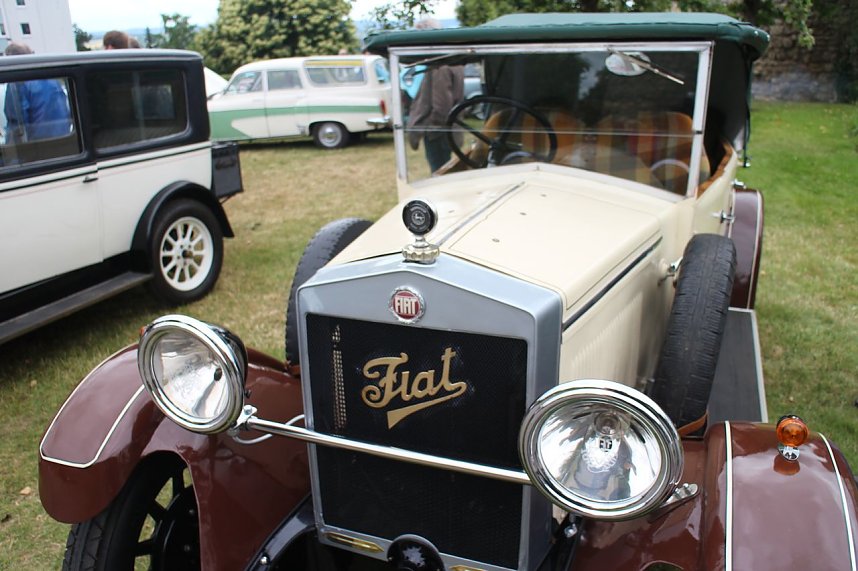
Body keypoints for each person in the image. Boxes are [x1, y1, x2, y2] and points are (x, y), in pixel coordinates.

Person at [406, 18, 464, 173]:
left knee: (439, 176)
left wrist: (432, 130)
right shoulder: (452, 60)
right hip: (446, 130)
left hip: (439, 133)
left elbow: (441, 105)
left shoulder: (440, 65)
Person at [3, 43, 73, 144]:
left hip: (36, 150)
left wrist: (9, 155)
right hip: (64, 143)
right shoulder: (53, 81)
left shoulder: (17, 83)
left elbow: (16, 125)